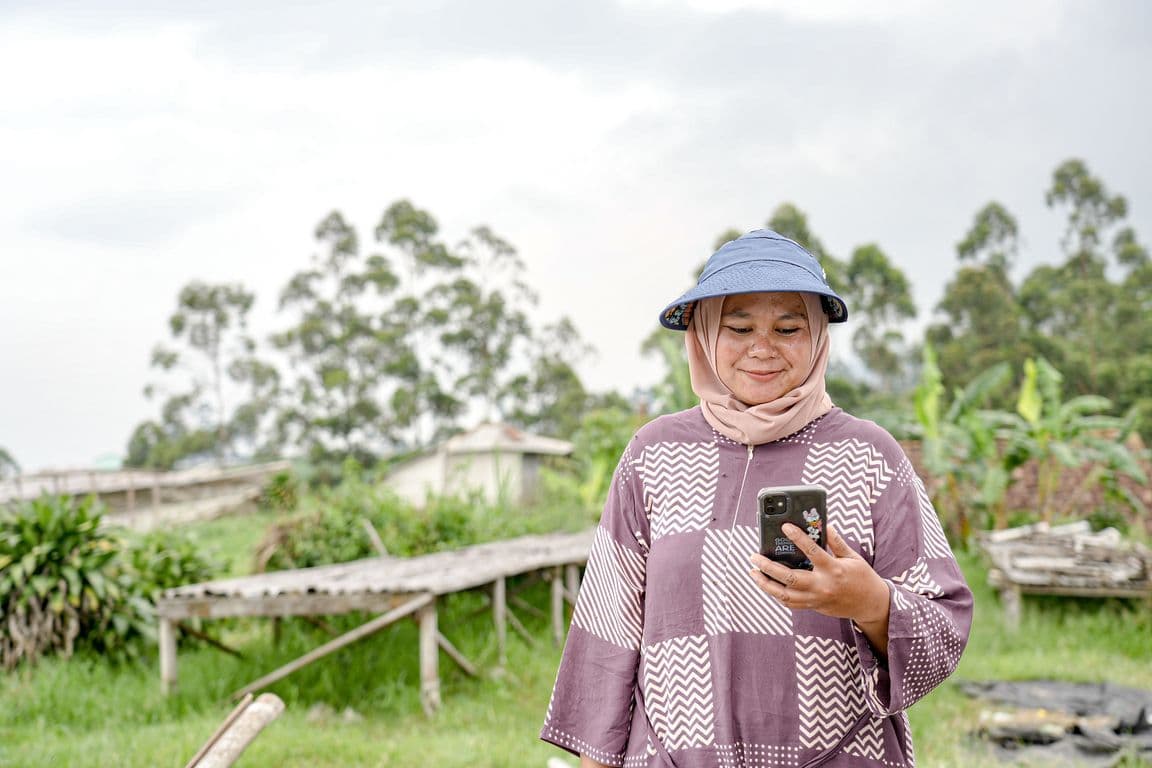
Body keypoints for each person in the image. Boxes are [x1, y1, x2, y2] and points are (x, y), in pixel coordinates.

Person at [540, 229, 974, 768]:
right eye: (739, 327)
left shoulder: (870, 455)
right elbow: (609, 630)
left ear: (817, 336)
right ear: (702, 336)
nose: (762, 348)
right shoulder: (653, 455)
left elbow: (945, 624)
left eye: (788, 328)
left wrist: (870, 602)